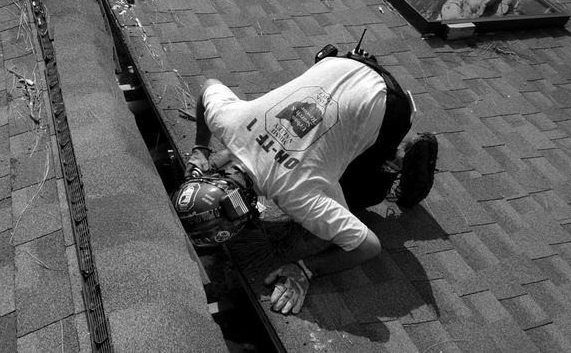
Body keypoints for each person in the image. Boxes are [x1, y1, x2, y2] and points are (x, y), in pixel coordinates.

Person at [171, 42, 438, 315]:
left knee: (363, 195)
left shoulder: (297, 195)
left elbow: (368, 246)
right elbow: (208, 87)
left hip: (388, 107)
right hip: (342, 66)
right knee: (329, 160)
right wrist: (201, 148)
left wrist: (305, 270)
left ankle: (401, 154)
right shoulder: (230, 122)